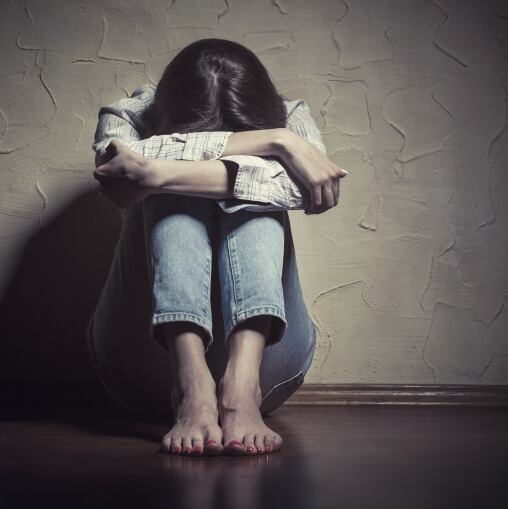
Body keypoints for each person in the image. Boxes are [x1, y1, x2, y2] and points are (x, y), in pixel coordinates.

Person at [87, 38, 347, 457]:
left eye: (278, 136)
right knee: (170, 188)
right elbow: (118, 167)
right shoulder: (129, 113)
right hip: (140, 366)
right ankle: (191, 382)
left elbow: (311, 190)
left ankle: (240, 388)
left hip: (270, 369)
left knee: (242, 190)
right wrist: (276, 144)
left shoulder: (291, 117)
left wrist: (163, 169)